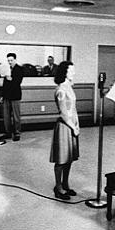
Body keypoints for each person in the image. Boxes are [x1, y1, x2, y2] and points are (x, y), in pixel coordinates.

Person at [49, 61, 79, 200]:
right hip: (64, 127)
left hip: (72, 125)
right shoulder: (61, 89)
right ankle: (58, 187)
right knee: (61, 159)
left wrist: (77, 124)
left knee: (69, 158)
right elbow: (63, 113)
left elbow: (73, 109)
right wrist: (73, 127)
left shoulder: (69, 87)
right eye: (71, 70)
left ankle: (66, 184)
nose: (74, 72)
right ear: (64, 72)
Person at [1, 53, 23, 141]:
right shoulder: (6, 69)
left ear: (15, 60)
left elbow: (18, 82)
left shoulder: (19, 69)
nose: (10, 62)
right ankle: (8, 132)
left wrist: (11, 79)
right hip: (6, 96)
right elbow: (4, 84)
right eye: (8, 60)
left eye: (11, 60)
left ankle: (17, 133)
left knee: (16, 116)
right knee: (6, 116)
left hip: (15, 95)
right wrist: (2, 95)